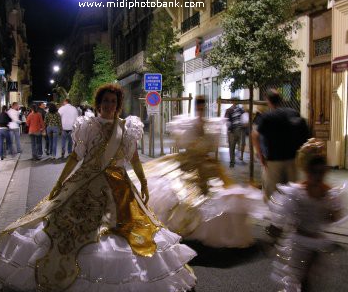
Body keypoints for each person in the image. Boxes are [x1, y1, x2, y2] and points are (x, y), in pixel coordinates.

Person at [0, 84, 196, 292]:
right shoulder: (87, 126)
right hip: (85, 182)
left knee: (124, 228)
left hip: (118, 186)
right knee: (64, 223)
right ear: (98, 104)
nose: (108, 106)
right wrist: (60, 182)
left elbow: (133, 159)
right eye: (105, 101)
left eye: (113, 102)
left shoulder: (127, 127)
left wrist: (143, 181)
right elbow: (76, 157)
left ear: (118, 105)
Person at [132, 96, 265, 248]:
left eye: (202, 108)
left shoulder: (210, 126)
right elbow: (180, 143)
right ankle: (185, 228)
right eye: (199, 108)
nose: (201, 111)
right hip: (188, 164)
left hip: (206, 167)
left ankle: (204, 229)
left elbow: (209, 149)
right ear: (196, 108)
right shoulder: (186, 124)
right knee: (180, 195)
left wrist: (211, 163)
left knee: (219, 194)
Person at [269, 139, 347, 292]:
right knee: (303, 284)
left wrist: (330, 207)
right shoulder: (295, 193)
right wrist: (274, 234)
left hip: (317, 243)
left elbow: (332, 218)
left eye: (321, 172)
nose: (318, 177)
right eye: (314, 172)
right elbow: (282, 220)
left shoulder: (328, 193)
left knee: (307, 285)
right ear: (307, 171)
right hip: (299, 244)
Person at [252, 89, 309, 236]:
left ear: (268, 101)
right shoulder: (292, 113)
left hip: (273, 161)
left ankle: (276, 225)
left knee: (273, 194)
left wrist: (260, 155)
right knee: (293, 192)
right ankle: (295, 224)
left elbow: (255, 135)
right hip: (291, 159)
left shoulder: (267, 116)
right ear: (281, 99)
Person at [225, 98, 245, 168]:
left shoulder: (240, 110)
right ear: (232, 102)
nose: (235, 102)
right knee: (232, 147)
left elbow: (244, 118)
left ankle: (236, 157)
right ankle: (232, 162)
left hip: (239, 130)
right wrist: (229, 129)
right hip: (232, 131)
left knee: (240, 145)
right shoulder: (228, 110)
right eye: (234, 101)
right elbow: (227, 121)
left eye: (236, 101)